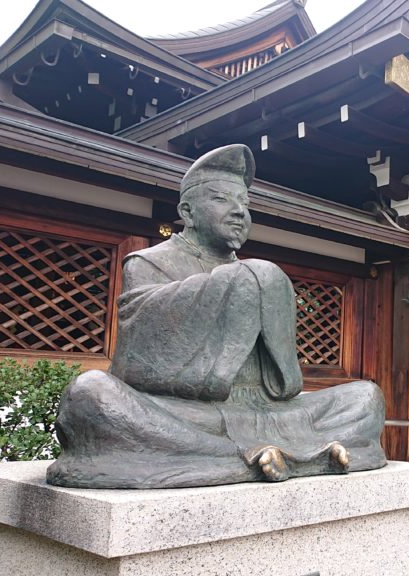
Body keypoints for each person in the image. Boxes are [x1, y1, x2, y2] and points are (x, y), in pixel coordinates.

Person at [46, 144, 387, 489]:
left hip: (267, 412)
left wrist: (253, 282)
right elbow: (136, 364)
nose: (240, 212)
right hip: (192, 415)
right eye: (222, 200)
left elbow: (283, 384)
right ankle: (264, 456)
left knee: (365, 397)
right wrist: (236, 285)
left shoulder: (256, 276)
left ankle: (251, 455)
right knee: (90, 394)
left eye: (245, 204)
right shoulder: (150, 263)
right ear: (188, 212)